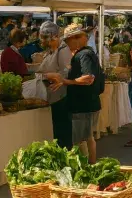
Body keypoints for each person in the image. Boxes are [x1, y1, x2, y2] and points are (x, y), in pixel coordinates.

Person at [45, 24, 102, 164]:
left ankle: (85, 169)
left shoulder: (84, 55)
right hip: (88, 103)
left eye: (67, 41)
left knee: (80, 141)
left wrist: (65, 81)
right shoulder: (85, 53)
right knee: (88, 138)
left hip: (83, 104)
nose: (66, 44)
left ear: (77, 39)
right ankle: (91, 167)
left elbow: (88, 78)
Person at [35, 22, 73, 149]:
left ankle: (67, 161)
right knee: (58, 134)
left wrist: (51, 76)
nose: (43, 41)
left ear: (55, 36)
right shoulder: (51, 51)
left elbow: (66, 72)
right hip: (53, 97)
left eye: (46, 38)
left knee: (63, 134)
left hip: (62, 98)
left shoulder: (63, 50)